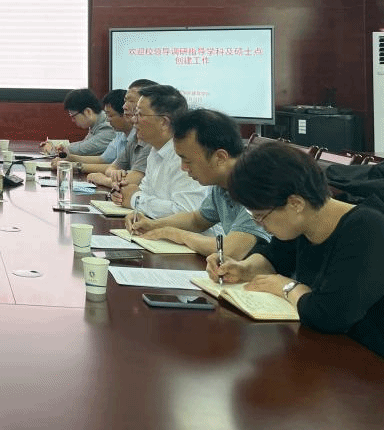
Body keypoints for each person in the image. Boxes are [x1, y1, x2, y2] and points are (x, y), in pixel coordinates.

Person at [212, 141, 384, 358]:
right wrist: (243, 268)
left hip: (369, 360)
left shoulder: (368, 229)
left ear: (295, 204)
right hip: (327, 350)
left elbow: (330, 315)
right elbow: (275, 257)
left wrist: (288, 287)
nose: (260, 225)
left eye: (261, 216)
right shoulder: (303, 222)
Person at [126, 109, 270, 257]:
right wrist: (152, 225)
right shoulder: (222, 185)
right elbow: (197, 220)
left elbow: (231, 250)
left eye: (188, 161)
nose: (183, 168)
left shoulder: (257, 186)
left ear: (220, 157)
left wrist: (175, 234)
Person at [113, 83, 207, 219]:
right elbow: (144, 192)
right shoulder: (156, 150)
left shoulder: (186, 156)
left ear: (163, 122)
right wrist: (124, 193)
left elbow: (185, 212)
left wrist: (135, 199)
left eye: (140, 114)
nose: (133, 119)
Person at [87, 79, 156, 189]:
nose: (124, 107)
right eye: (125, 101)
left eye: (131, 101)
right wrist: (115, 174)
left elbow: (132, 181)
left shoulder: (152, 140)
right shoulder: (135, 137)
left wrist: (103, 179)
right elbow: (112, 168)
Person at [64, 89, 130, 177]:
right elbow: (103, 159)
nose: (108, 119)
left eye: (110, 115)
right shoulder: (120, 134)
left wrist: (74, 165)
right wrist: (71, 159)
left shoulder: (109, 127)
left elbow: (121, 168)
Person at [40, 88, 115, 156]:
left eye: (73, 116)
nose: (73, 120)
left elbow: (84, 149)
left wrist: (53, 149)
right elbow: (84, 143)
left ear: (88, 112)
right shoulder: (96, 123)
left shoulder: (109, 126)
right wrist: (55, 145)